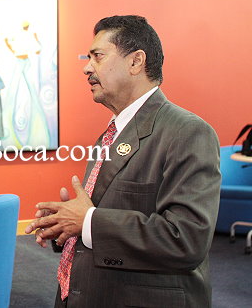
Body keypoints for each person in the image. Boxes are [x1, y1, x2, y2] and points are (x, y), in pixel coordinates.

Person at [25, 15, 221, 307]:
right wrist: (66, 224)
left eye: (98, 56)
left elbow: (186, 239)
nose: (86, 67)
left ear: (135, 61)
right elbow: (102, 216)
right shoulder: (111, 134)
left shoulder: (188, 132)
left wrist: (87, 221)